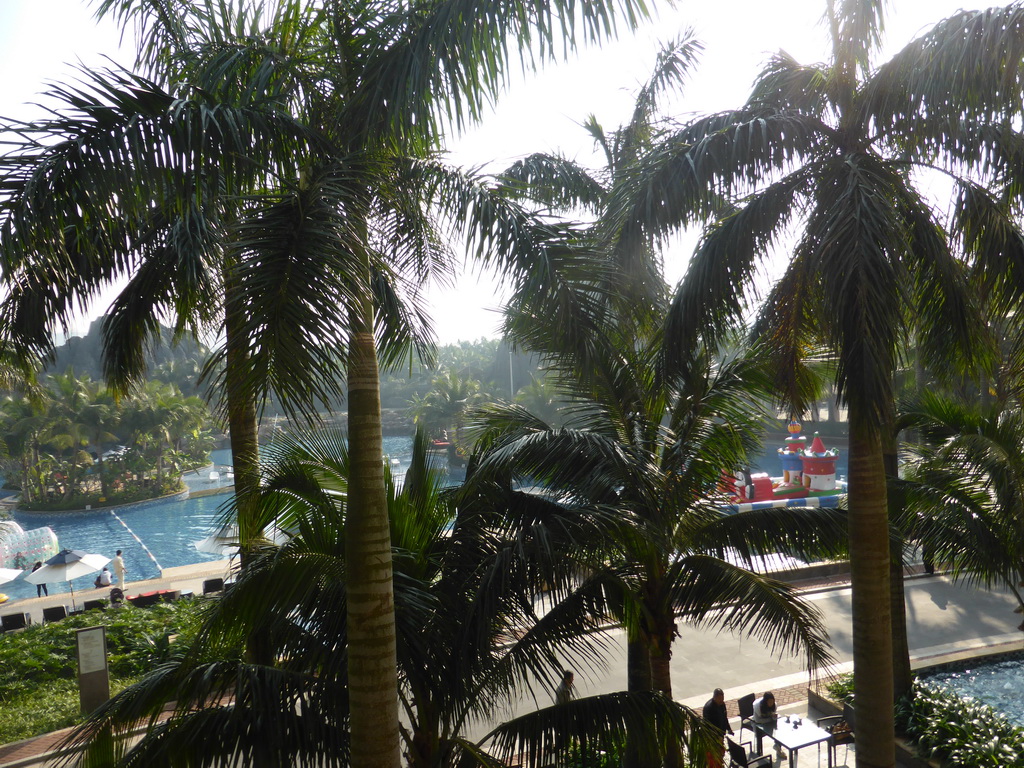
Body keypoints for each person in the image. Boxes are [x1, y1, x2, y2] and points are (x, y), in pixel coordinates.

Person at [702, 688, 733, 767]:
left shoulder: (722, 704)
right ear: (715, 697)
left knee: (721, 751)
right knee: (712, 755)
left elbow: (724, 717)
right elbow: (708, 724)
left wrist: (729, 729)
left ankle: (720, 764)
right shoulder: (709, 708)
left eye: (722, 698)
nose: (721, 701)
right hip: (712, 736)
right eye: (720, 699)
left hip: (720, 734)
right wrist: (716, 736)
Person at [752, 691, 781, 756]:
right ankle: (759, 752)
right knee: (759, 732)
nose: (771, 703)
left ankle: (778, 746)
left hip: (768, 722)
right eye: (769, 702)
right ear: (766, 701)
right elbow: (757, 720)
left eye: (772, 701)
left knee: (778, 729)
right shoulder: (758, 707)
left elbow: (774, 717)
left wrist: (774, 717)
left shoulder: (774, 705)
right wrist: (770, 719)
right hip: (758, 724)